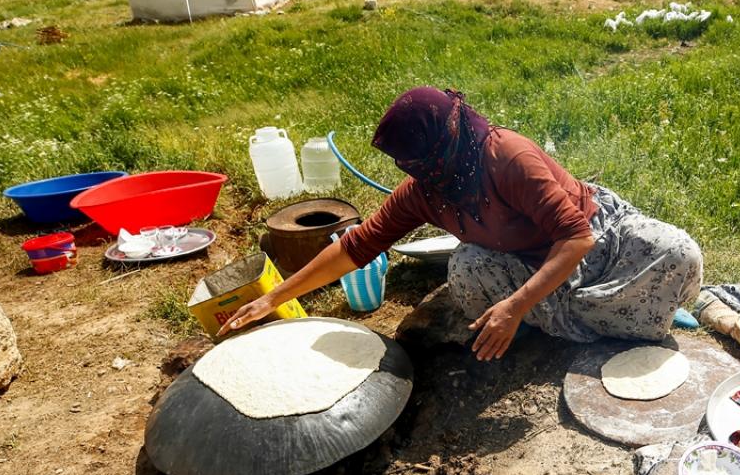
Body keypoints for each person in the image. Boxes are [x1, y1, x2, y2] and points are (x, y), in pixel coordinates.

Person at [220, 87, 703, 360]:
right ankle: (580, 315)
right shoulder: (428, 190)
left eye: (420, 164)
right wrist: (273, 297)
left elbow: (577, 238)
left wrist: (514, 305)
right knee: (466, 269)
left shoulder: (507, 157)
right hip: (525, 262)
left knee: (675, 252)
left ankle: (554, 315)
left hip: (598, 242)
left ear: (447, 141)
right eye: (411, 168)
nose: (416, 175)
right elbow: (357, 246)